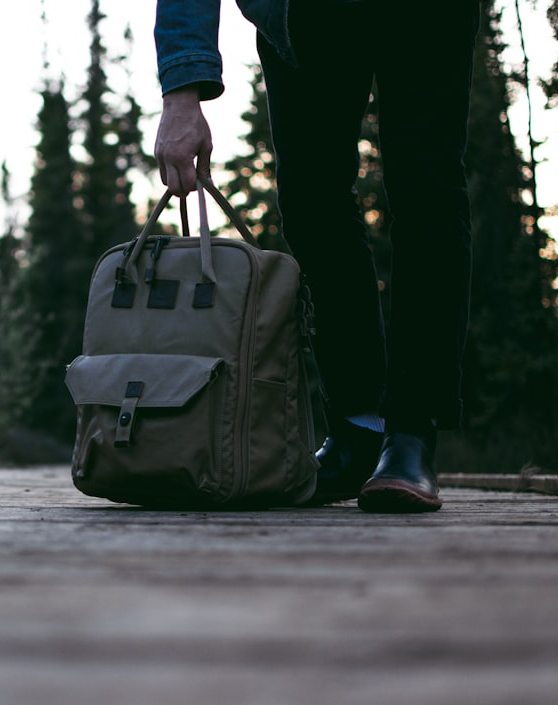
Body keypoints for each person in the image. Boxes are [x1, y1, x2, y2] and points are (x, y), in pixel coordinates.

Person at [153, 0, 482, 512]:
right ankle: (358, 427)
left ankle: (411, 433)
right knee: (311, 201)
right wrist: (181, 93)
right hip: (302, 14)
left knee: (427, 189)